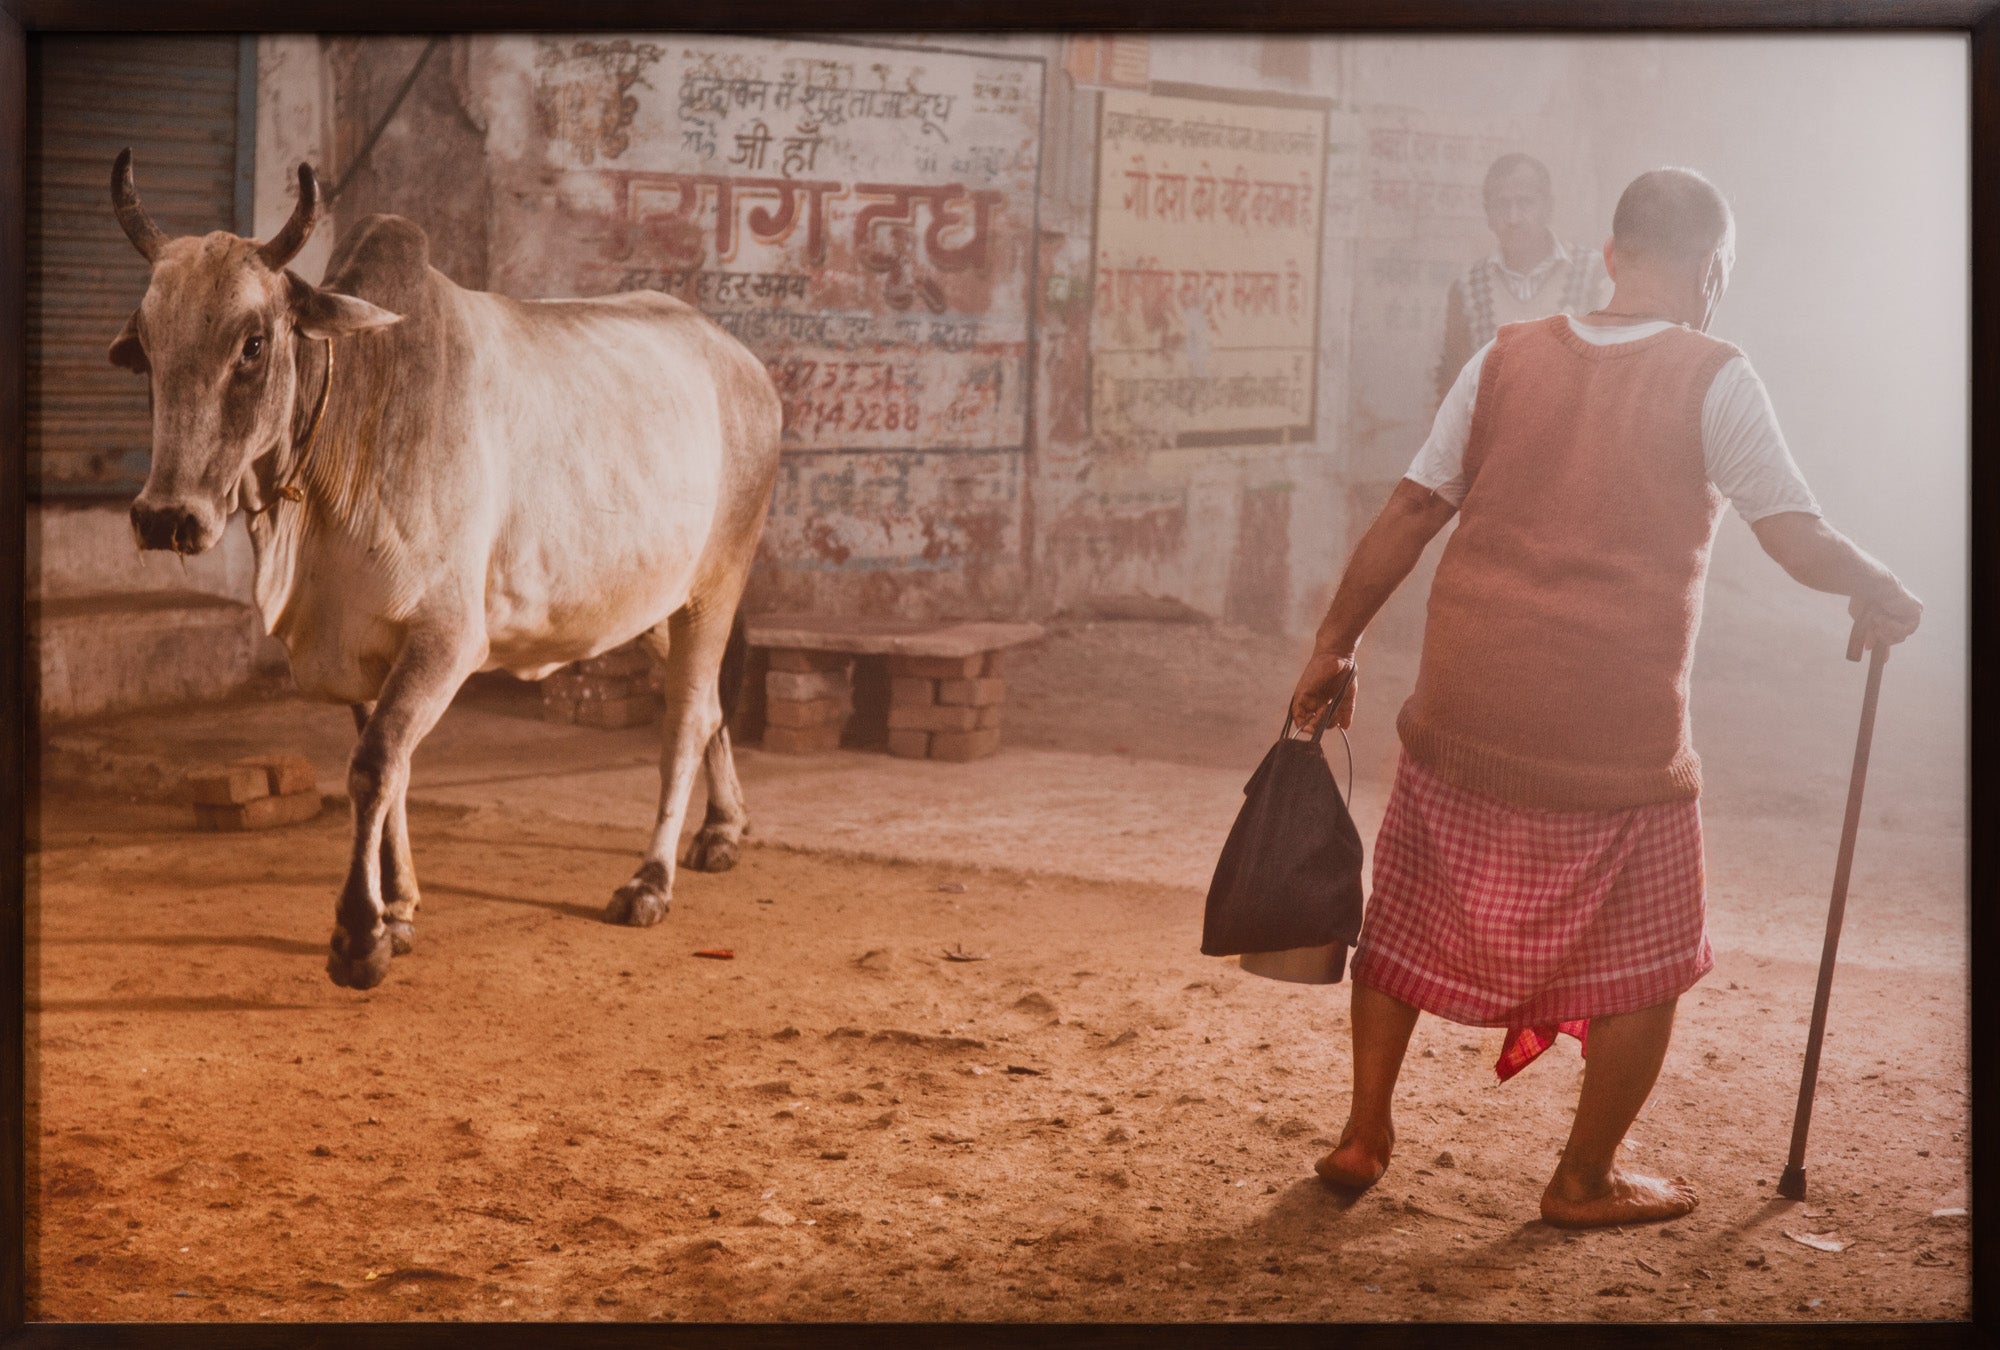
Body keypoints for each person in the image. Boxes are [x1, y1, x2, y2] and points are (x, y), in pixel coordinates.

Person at [1288, 167, 1923, 1229]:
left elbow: (1410, 506)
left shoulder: (1504, 356)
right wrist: (1879, 586)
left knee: (1403, 909)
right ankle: (1580, 1177)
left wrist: (1330, 644)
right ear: (1712, 273)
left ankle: (1362, 1134)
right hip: (1613, 727)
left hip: (1463, 701)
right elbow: (1790, 533)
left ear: (1609, 255)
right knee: (1651, 952)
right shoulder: (1715, 376)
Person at [1435, 154, 1610, 404]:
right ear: (1488, 214)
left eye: (1525, 203)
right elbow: (1453, 386)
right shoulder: (1467, 290)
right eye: (1502, 206)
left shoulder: (1594, 274)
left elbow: (1612, 371)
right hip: (1494, 438)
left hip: (1574, 436)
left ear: (1548, 207)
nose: (1513, 218)